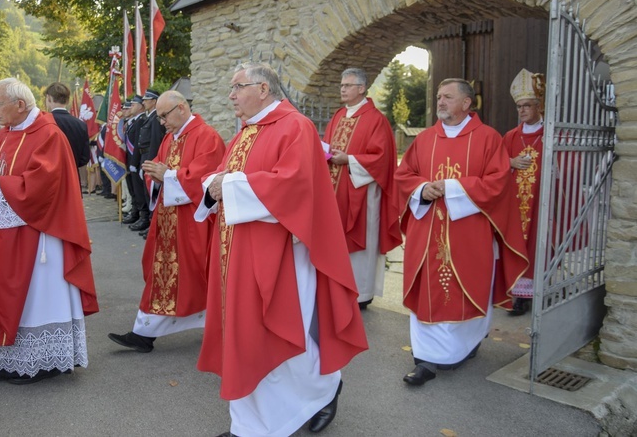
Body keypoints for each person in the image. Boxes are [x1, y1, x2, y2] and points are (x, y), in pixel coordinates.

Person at [195, 62, 368, 436]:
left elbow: (295, 185)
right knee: (245, 334)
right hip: (238, 253)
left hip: (284, 254)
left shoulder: (296, 127)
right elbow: (223, 174)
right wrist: (214, 184)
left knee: (282, 334)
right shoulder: (246, 131)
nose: (231, 96)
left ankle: (322, 390)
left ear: (262, 88)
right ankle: (248, 423)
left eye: (237, 87)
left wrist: (232, 185)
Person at [0, 77, 98, 385]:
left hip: (38, 237)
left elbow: (44, 186)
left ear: (19, 105)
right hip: (4, 232)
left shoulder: (49, 135)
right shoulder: (6, 133)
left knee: (35, 297)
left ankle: (41, 362)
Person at [394, 78, 528, 387]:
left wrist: (452, 188)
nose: (440, 102)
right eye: (439, 97)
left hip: (469, 233)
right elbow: (404, 174)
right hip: (426, 232)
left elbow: (498, 182)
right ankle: (424, 358)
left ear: (467, 104)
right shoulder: (425, 138)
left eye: (448, 97)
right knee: (427, 291)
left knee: (465, 288)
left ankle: (465, 345)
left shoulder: (488, 138)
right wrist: (421, 188)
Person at [109, 90, 226, 352]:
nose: (161, 122)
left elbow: (205, 180)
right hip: (167, 221)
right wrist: (157, 177)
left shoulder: (207, 137)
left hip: (193, 224)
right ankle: (145, 331)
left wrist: (169, 175)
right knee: (162, 275)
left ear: (181, 108)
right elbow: (157, 172)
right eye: (160, 117)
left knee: (194, 277)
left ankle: (152, 331)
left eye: (164, 116)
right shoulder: (170, 138)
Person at [323, 67, 402, 310]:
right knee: (335, 239)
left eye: (347, 85)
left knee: (361, 242)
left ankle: (361, 293)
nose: (342, 89)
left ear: (361, 88)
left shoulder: (376, 120)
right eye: (341, 85)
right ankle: (336, 287)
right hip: (336, 192)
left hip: (363, 194)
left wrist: (350, 160)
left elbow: (382, 158)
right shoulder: (338, 116)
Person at [503, 69, 546, 316]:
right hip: (514, 203)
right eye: (519, 106)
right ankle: (517, 294)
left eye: (527, 105)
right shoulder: (510, 136)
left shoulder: (550, 134)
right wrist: (509, 162)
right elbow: (493, 163)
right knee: (515, 244)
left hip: (539, 202)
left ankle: (536, 291)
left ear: (539, 106)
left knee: (536, 245)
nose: (521, 110)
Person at [130, 89, 165, 235]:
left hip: (149, 156)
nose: (143, 102)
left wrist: (150, 162)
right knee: (145, 190)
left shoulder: (155, 118)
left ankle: (151, 222)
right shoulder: (149, 117)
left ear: (154, 101)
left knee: (150, 192)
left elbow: (155, 142)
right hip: (144, 156)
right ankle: (148, 221)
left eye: (147, 99)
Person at [44, 82, 90, 170]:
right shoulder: (81, 125)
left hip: (50, 178)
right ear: (68, 100)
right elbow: (84, 158)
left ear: (49, 98)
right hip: (73, 176)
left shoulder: (43, 122)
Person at [121, 96, 147, 225]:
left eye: (133, 104)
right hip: (130, 160)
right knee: (133, 189)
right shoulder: (133, 122)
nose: (130, 107)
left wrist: (134, 162)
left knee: (138, 190)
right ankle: (135, 212)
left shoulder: (141, 121)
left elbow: (137, 144)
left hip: (135, 162)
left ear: (141, 106)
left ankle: (142, 216)